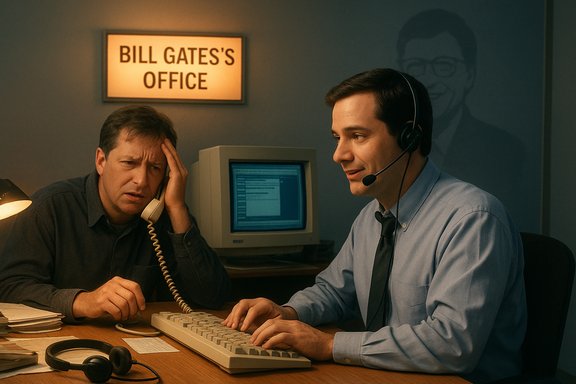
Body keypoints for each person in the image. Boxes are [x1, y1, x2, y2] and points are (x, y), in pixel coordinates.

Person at [223, 68, 526, 383]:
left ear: (409, 137)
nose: (338, 154)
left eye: (357, 136)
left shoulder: (472, 219)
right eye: (337, 138)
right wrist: (287, 312)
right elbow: (334, 291)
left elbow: (453, 345)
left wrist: (329, 344)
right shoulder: (373, 216)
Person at [0, 105, 231, 323]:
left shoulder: (165, 215)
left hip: (140, 348)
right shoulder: (50, 207)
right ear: (101, 161)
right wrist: (83, 302)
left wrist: (178, 209)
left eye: (155, 168)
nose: (141, 181)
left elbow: (213, 298)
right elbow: (10, 288)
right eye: (130, 163)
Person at [396, 9, 525, 204]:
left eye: (444, 65)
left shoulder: (506, 150)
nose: (428, 80)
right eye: (416, 65)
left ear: (469, 75)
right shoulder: (385, 142)